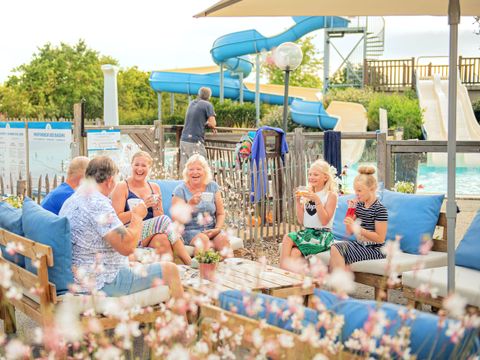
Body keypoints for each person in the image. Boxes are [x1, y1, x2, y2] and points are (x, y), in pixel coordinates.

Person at [59, 156, 184, 300]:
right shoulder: (98, 204)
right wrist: (136, 216)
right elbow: (127, 247)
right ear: (110, 181)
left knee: (141, 260)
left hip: (83, 274)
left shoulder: (74, 199)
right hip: (102, 282)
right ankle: (182, 321)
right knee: (171, 269)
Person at [111, 151, 191, 265]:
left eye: (144, 165)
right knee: (164, 220)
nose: (139, 169)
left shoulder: (154, 188)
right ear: (131, 165)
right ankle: (188, 262)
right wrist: (142, 206)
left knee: (163, 239)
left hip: (148, 234)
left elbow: (159, 221)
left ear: (150, 168)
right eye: (136, 164)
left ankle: (168, 275)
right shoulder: (122, 186)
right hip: (129, 234)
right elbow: (116, 219)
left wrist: (156, 207)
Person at [280, 159, 338, 272]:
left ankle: (281, 274)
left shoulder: (331, 196)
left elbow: (325, 221)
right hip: (308, 233)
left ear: (325, 177)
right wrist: (297, 202)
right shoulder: (308, 194)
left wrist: (317, 200)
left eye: (316, 174)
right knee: (295, 253)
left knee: (288, 237)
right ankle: (293, 284)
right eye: (310, 174)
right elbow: (302, 221)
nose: (311, 177)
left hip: (322, 236)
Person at [329, 165, 388, 270]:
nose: (356, 194)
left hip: (376, 249)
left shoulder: (380, 209)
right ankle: (338, 284)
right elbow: (349, 231)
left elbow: (380, 238)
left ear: (372, 189)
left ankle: (339, 284)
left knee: (336, 249)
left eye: (359, 191)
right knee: (335, 249)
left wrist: (358, 229)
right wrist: (350, 210)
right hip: (360, 244)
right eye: (355, 190)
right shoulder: (360, 205)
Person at [171, 154, 230, 254]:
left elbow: (220, 213)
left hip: (211, 229)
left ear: (205, 171)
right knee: (202, 240)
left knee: (223, 240)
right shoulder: (180, 190)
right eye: (191, 169)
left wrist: (217, 229)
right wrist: (190, 205)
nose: (195, 172)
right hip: (190, 231)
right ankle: (203, 268)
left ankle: (223, 268)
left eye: (199, 169)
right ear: (187, 172)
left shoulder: (212, 186)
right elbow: (175, 221)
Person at [179, 87, 217, 170]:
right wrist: (208, 124)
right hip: (195, 142)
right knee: (202, 168)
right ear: (209, 96)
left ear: (198, 94)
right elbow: (213, 123)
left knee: (186, 169)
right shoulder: (208, 105)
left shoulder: (191, 103)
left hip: (184, 140)